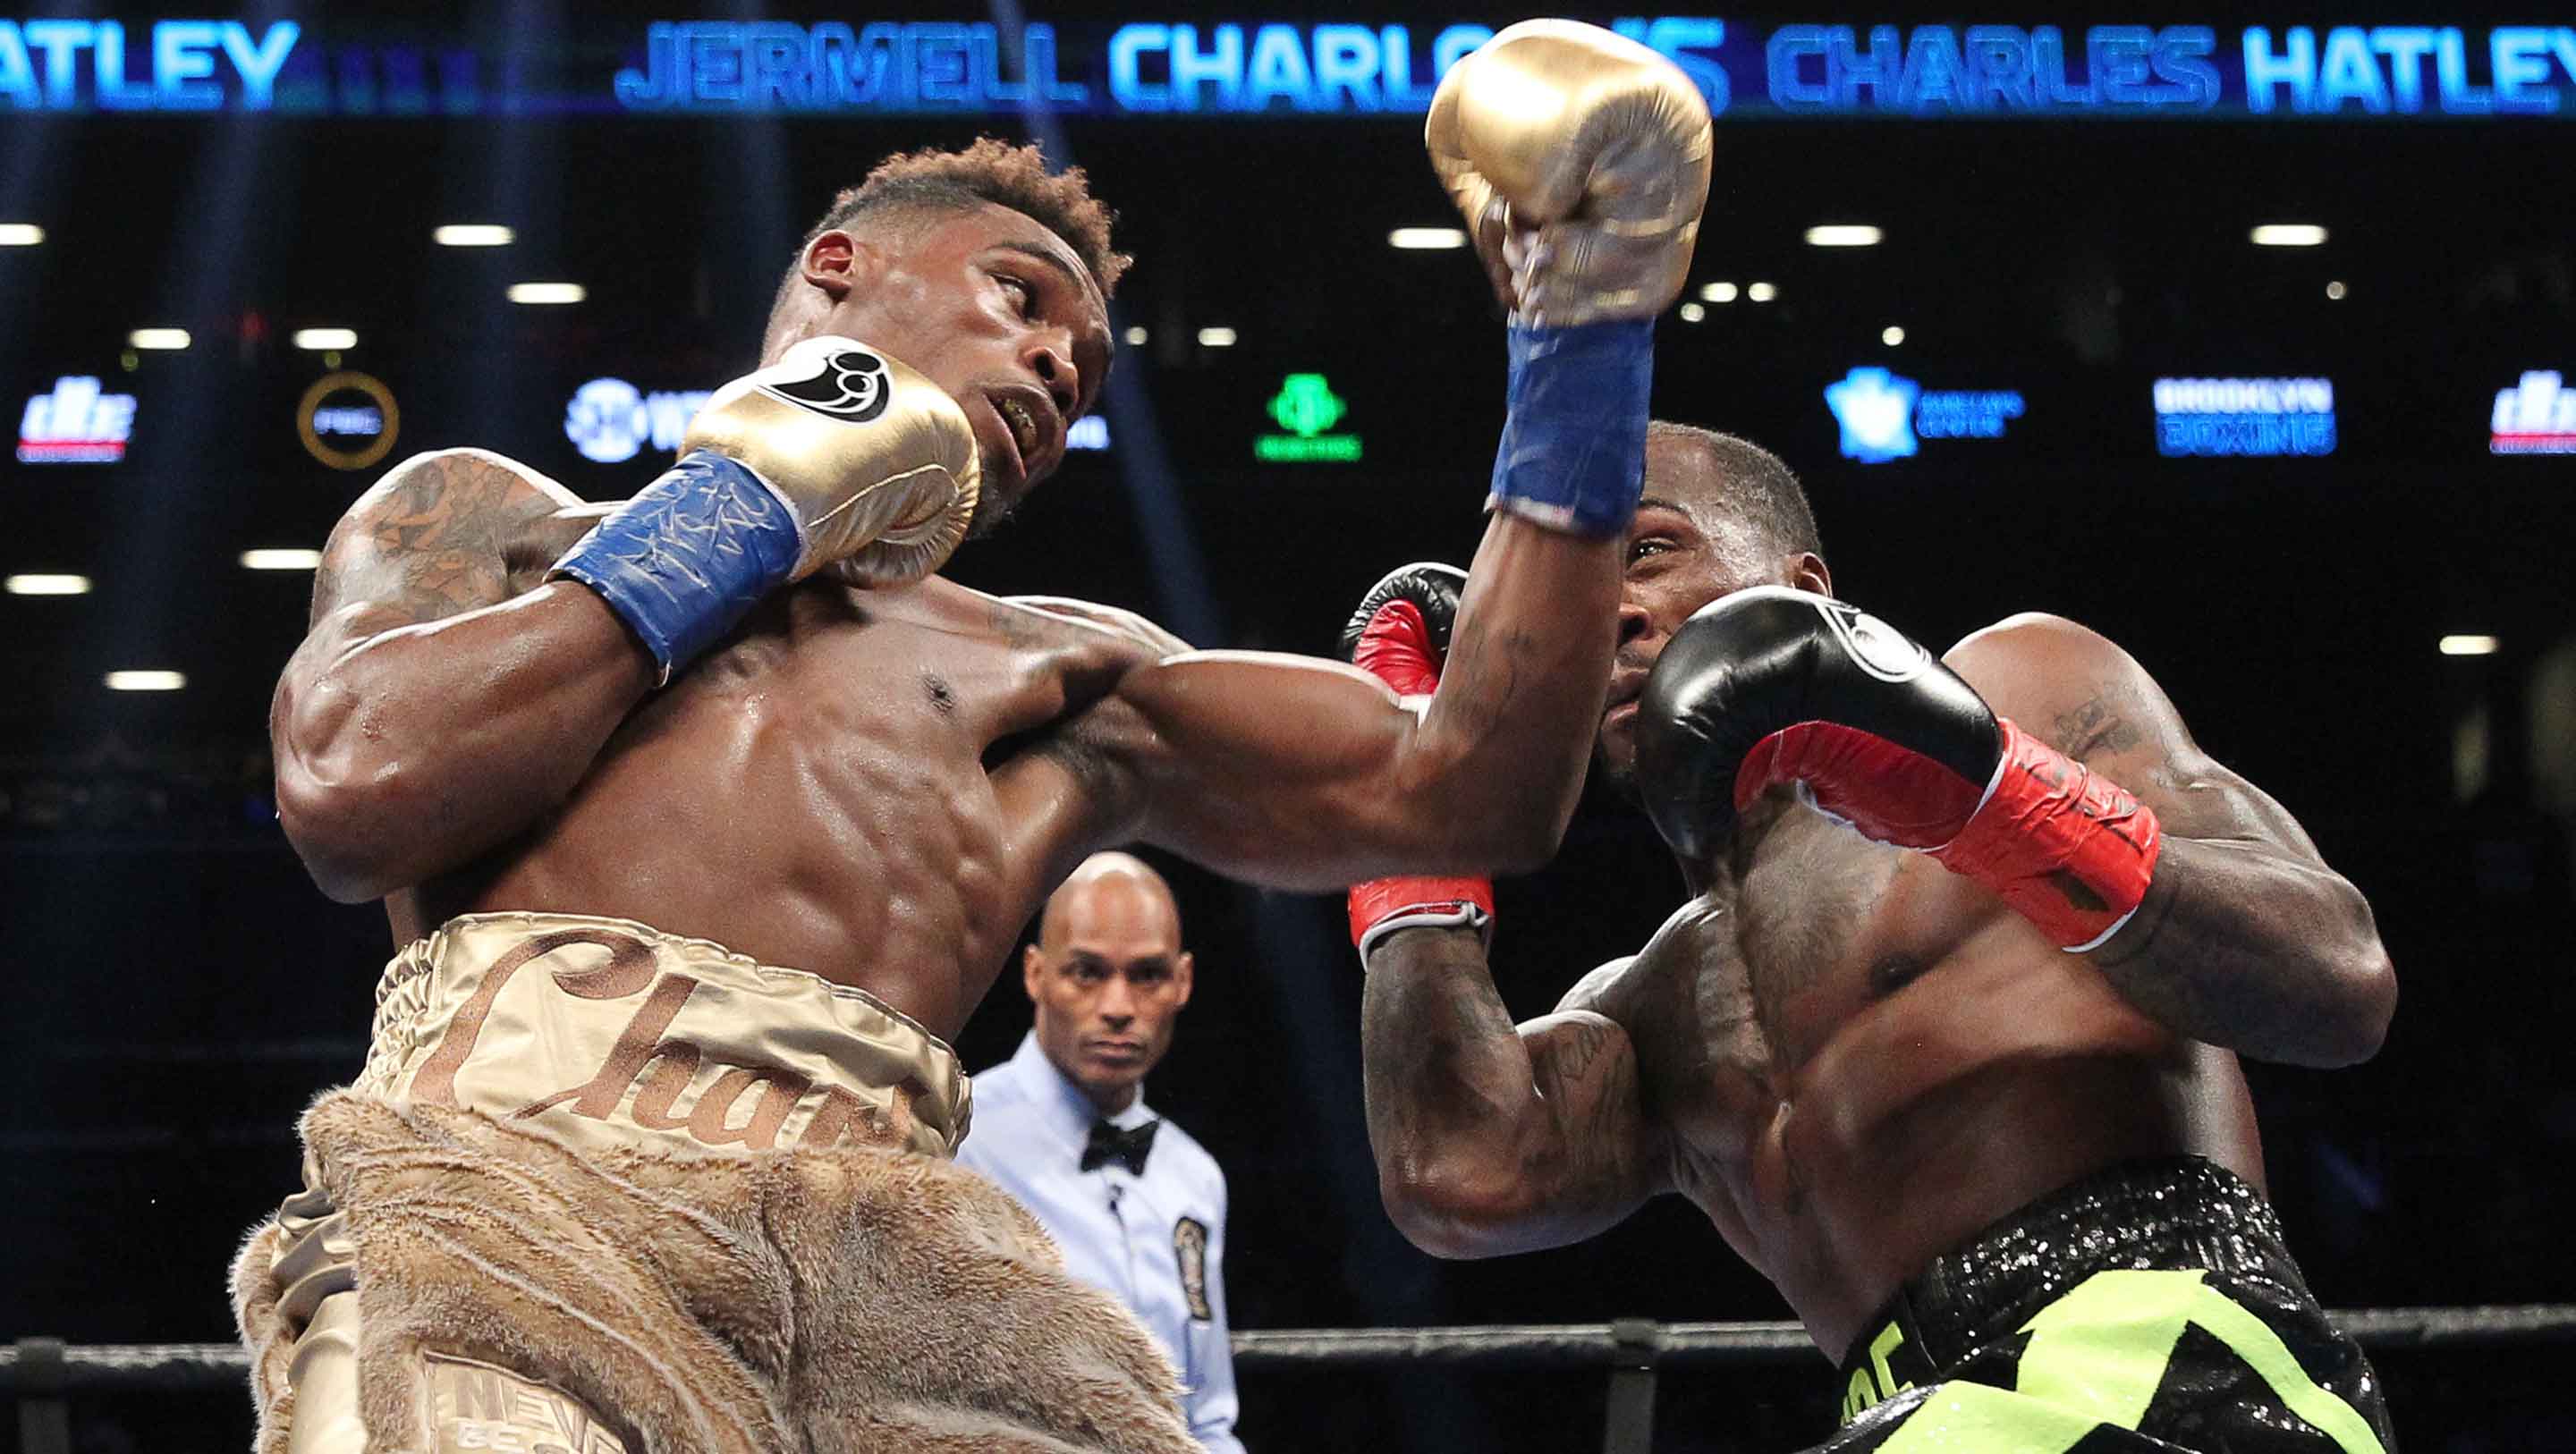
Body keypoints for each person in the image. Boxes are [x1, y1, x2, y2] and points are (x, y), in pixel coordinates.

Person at [233, 24, 1715, 1454]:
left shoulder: (1060, 676)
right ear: (839, 270)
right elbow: (355, 791)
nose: (1062, 369)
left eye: (1085, 367)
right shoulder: (491, 520)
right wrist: (741, 513)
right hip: (503, 1213)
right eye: (1023, 300)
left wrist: (1580, 336)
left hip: (892, 1292)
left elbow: (1478, 791)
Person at [1347, 421, 2401, 1451]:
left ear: (1807, 592)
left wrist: (1990, 798)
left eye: (1651, 552)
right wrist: (1409, 803)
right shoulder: (1648, 1006)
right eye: (1564, 602)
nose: (1609, 615)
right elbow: (1456, 1174)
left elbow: (2338, 978)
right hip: (1910, 1411)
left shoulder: (2024, 687)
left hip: (2171, 1363)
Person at [957, 853, 1245, 1454]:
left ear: (1183, 982)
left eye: (1146, 976)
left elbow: (1209, 1420)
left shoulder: (1193, 1176)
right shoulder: (957, 1142)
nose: (1118, 1007)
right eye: (1087, 972)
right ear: (1036, 974)